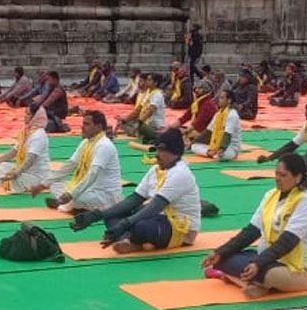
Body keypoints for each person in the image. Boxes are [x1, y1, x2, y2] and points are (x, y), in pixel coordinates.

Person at [201, 154, 307, 299]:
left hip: (300, 271)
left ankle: (249, 281)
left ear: (298, 177)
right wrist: (220, 252)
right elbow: (251, 231)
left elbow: (287, 241)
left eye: (283, 175)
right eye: (276, 174)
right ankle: (255, 283)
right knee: (224, 258)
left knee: (271, 275)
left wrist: (257, 264)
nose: (277, 178)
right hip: (268, 260)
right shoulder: (271, 195)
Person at [70, 128, 202, 253]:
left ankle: (131, 239)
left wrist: (124, 224)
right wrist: (97, 215)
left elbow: (156, 206)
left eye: (162, 151)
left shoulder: (180, 173)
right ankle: (131, 240)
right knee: (112, 217)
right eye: (157, 150)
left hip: (180, 228)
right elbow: (134, 199)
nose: (157, 155)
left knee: (142, 226)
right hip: (158, 217)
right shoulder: (155, 170)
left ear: (175, 153)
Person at [39, 110, 123, 212]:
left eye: (87, 124)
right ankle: (69, 204)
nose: (82, 127)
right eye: (83, 123)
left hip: (104, 194)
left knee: (77, 197)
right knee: (55, 185)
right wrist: (44, 183)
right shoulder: (85, 143)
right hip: (89, 189)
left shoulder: (104, 146)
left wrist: (71, 194)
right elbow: (71, 165)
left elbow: (92, 174)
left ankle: (69, 205)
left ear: (99, 127)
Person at [0, 106, 52, 193]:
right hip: (24, 171)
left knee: (15, 179)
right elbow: (14, 151)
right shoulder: (25, 132)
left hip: (37, 176)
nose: (25, 116)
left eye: (28, 114)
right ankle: (2, 180)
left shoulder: (38, 135)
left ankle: (3, 181)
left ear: (35, 117)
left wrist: (16, 173)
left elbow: (30, 160)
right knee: (2, 165)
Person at [190, 88, 243, 161]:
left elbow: (227, 135)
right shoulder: (218, 114)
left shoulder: (232, 115)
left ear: (229, 100)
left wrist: (221, 149)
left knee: (221, 155)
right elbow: (208, 131)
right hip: (216, 145)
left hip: (230, 147)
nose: (219, 100)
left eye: (222, 98)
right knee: (194, 146)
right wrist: (194, 142)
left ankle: (214, 153)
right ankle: (209, 153)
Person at [119, 73, 166, 142]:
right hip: (144, 122)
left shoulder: (157, 94)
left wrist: (139, 122)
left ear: (155, 83)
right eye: (147, 80)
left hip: (154, 126)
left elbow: (150, 111)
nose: (147, 81)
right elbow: (138, 110)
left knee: (139, 127)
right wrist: (124, 120)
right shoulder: (147, 93)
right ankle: (138, 132)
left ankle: (152, 135)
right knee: (124, 122)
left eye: (149, 80)